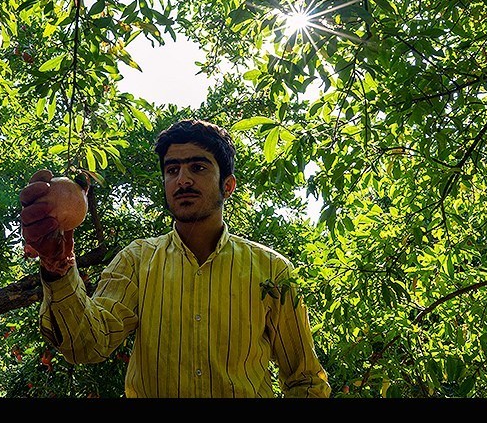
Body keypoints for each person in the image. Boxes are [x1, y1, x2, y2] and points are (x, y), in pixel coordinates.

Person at [19, 119, 331, 398]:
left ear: (228, 185)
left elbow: (305, 381)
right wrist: (57, 268)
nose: (182, 179)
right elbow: (87, 343)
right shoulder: (137, 260)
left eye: (198, 167)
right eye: (172, 170)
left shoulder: (272, 270)